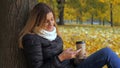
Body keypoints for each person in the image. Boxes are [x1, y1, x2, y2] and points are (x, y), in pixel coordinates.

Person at [19, 2, 120, 68]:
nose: (51, 24)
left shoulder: (54, 34)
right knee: (106, 53)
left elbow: (64, 62)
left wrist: (75, 59)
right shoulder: (32, 39)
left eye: (52, 19)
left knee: (107, 53)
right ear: (37, 22)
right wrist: (61, 57)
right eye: (46, 21)